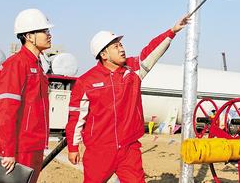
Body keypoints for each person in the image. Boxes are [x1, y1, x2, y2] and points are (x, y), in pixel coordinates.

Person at [65, 15, 189, 183]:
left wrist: (172, 31)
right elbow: (76, 118)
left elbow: (151, 51)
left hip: (129, 149)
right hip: (99, 151)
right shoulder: (86, 82)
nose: (121, 48)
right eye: (115, 46)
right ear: (104, 54)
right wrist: (73, 147)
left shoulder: (134, 70)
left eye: (121, 44)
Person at [0, 8, 53, 183]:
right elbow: (7, 110)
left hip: (35, 145)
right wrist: (7, 152)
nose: (49, 34)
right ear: (29, 36)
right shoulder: (16, 64)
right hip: (22, 147)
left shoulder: (38, 66)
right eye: (44, 31)